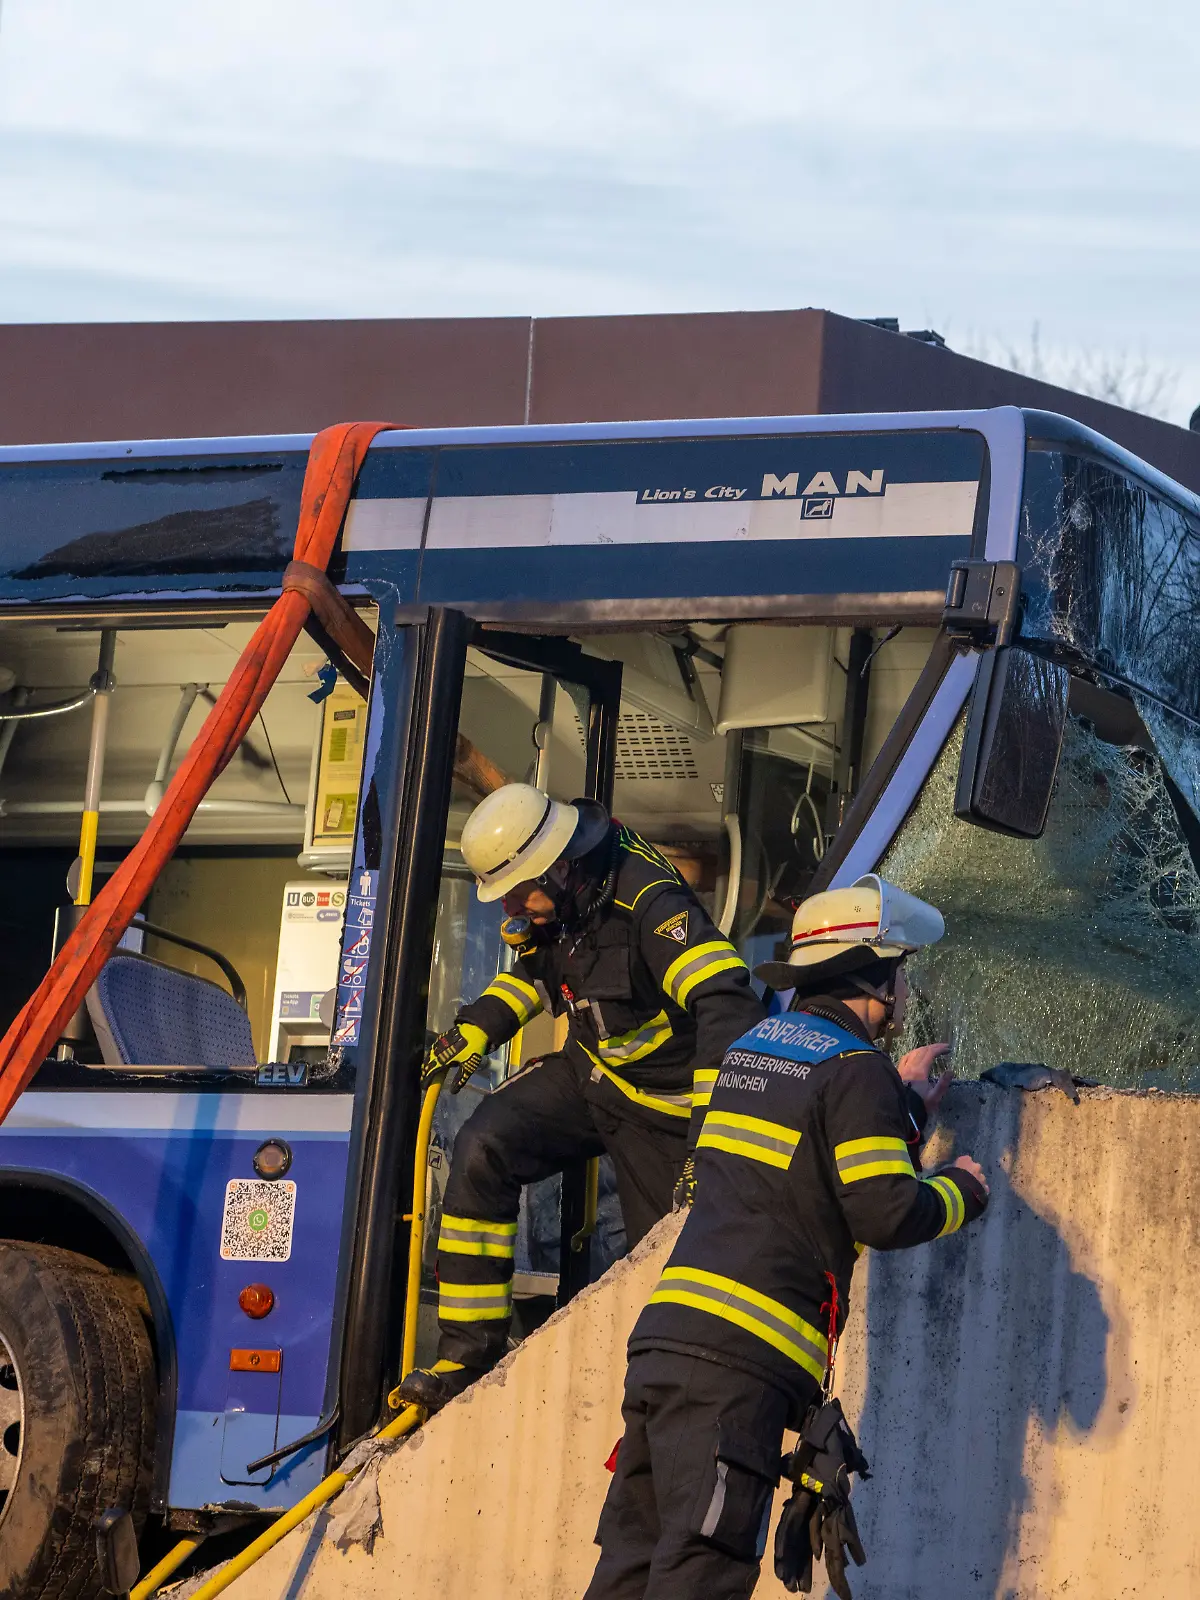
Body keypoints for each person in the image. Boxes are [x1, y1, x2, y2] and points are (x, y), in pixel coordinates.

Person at [585, 873, 990, 1600]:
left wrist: (901, 1104)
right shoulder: (853, 1069)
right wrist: (964, 1189)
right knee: (699, 1577)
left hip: (665, 1350)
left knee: (629, 1567)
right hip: (736, 1371)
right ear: (873, 974)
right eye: (899, 971)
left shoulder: (753, 1049)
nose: (904, 990)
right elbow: (886, 1212)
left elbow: (804, 1152)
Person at [395, 782, 765, 1413]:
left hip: (668, 1116)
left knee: (664, 1261)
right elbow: (543, 972)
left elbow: (727, 1005)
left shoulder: (650, 901)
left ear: (561, 866)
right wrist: (476, 1029)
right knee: (484, 1144)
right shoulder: (560, 902)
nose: (513, 908)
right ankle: (466, 1358)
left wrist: (711, 1138)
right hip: (591, 1073)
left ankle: (654, 1402)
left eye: (519, 891)